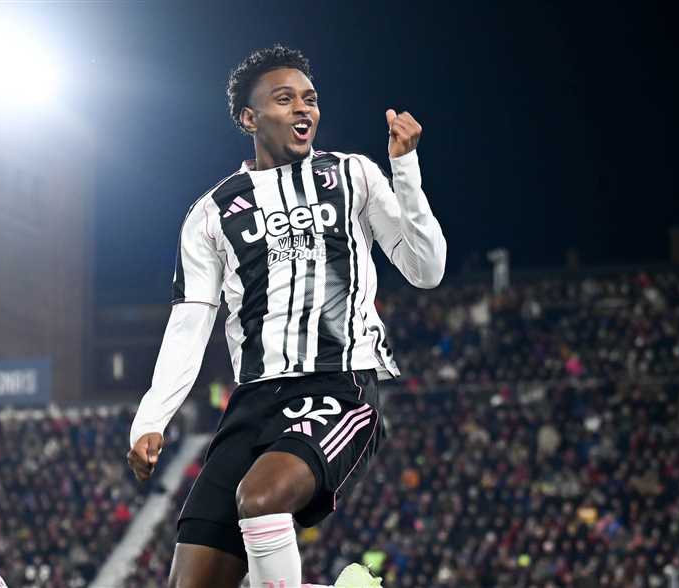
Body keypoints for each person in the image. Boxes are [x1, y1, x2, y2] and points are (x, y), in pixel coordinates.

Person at [127, 44, 446, 588]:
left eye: (310, 99)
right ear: (249, 119)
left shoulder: (353, 175)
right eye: (284, 99)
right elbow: (190, 323)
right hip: (252, 403)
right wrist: (151, 418)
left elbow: (427, 269)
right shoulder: (212, 212)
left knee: (261, 498)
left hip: (338, 387)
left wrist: (405, 167)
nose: (303, 109)